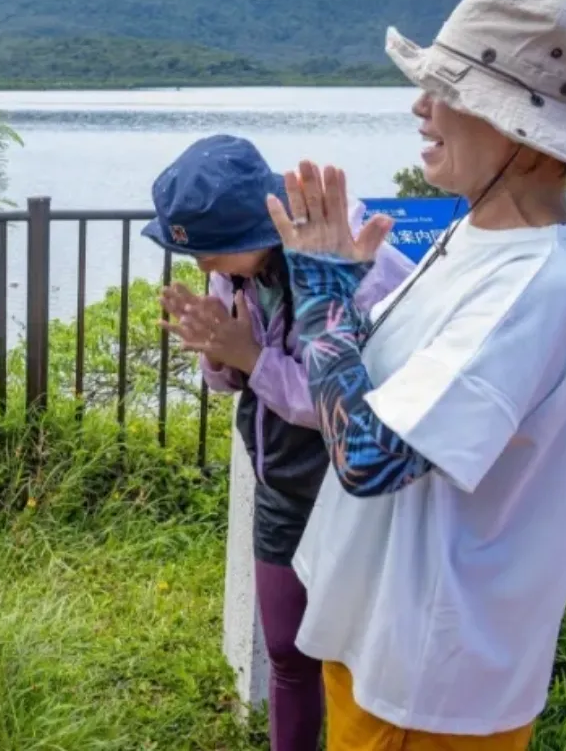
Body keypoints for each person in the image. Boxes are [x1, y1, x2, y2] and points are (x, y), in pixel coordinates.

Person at [259, 0, 566, 750]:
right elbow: (384, 379)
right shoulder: (481, 235)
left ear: (522, 130)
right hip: (383, 639)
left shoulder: (541, 285)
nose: (421, 107)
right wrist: (339, 295)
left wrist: (321, 301)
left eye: (445, 88)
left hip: (426, 684)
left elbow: (370, 458)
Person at [147, 134, 413, 751]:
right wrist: (217, 352)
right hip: (281, 486)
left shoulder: (360, 271)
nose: (200, 268)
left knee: (351, 653)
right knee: (285, 648)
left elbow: (355, 406)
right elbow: (231, 379)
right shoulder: (238, 274)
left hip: (351, 493)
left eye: (210, 254)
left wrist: (250, 356)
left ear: (250, 233)